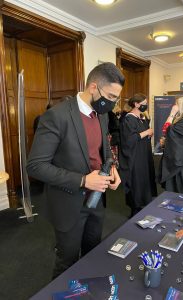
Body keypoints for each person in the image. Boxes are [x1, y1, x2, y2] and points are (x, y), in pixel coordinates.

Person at [27, 62, 125, 278]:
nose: (112, 103)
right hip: (69, 203)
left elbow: (104, 149)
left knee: (93, 255)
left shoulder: (101, 115)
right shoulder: (56, 116)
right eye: (109, 96)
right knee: (67, 263)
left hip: (97, 200)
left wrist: (112, 167)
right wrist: (82, 181)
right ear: (93, 87)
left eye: (115, 99)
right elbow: (35, 166)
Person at [119, 93, 157, 217]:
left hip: (143, 156)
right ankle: (135, 209)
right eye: (143, 104)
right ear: (136, 104)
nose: (145, 106)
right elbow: (130, 139)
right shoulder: (129, 119)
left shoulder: (140, 118)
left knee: (144, 180)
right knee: (136, 182)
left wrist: (148, 134)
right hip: (134, 157)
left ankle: (143, 204)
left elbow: (142, 136)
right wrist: (147, 132)